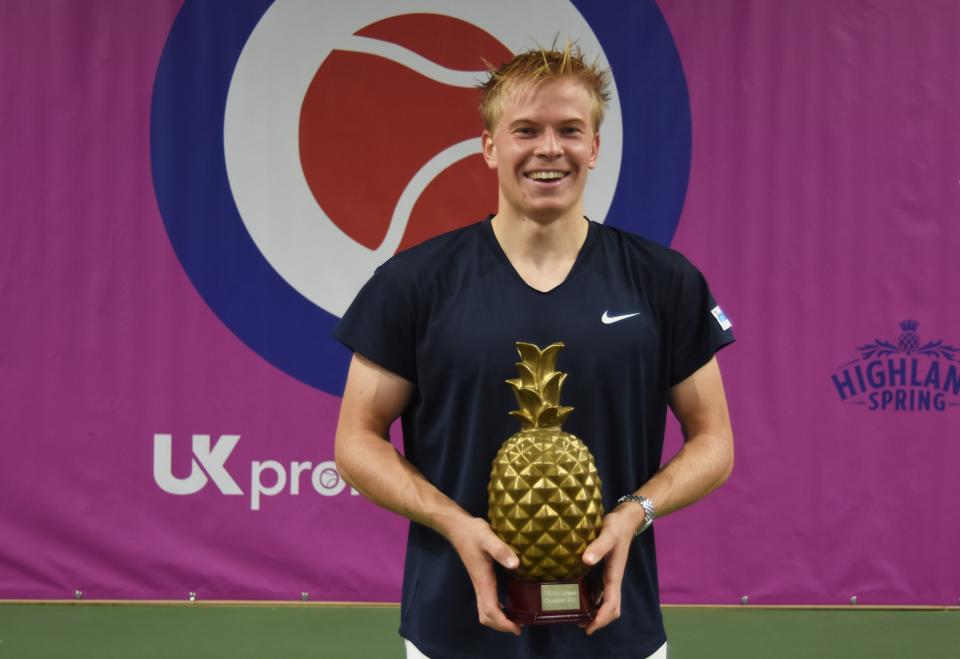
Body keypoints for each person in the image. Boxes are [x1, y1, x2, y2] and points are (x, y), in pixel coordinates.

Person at [333, 42, 735, 659]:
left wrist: (635, 513)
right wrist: (454, 524)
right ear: (491, 146)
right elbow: (356, 441)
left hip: (618, 633)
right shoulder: (414, 282)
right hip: (453, 631)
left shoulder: (664, 280)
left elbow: (715, 441)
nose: (550, 149)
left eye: (570, 130)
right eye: (526, 130)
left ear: (595, 147)